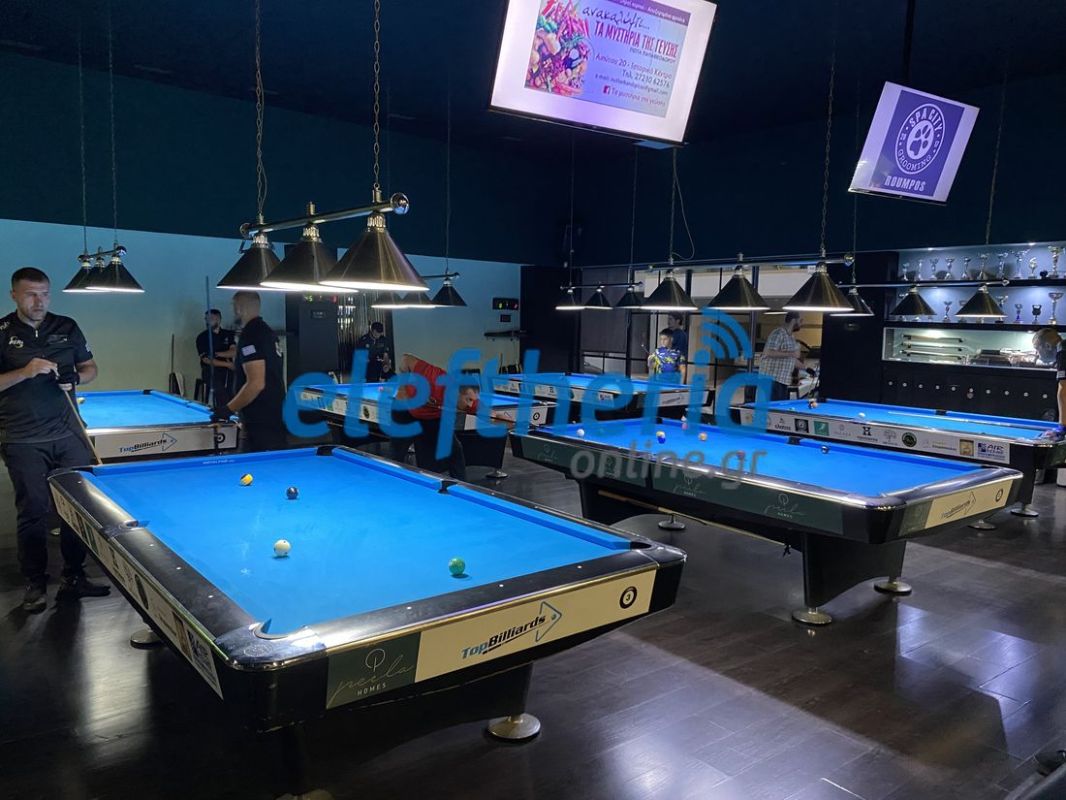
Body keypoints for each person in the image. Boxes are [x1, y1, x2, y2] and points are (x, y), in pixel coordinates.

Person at [0, 267, 110, 612]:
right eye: (31, 294)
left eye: (45, 294)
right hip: (22, 437)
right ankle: (35, 583)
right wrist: (25, 372)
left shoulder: (67, 326)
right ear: (14, 295)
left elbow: (91, 368)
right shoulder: (2, 332)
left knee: (76, 509)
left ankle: (74, 577)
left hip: (68, 433)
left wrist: (76, 377)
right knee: (33, 511)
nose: (39, 301)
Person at [211, 291, 286, 452]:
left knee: (255, 463)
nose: (233, 311)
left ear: (240, 308)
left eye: (233, 306)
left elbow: (256, 383)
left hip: (260, 419)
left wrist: (228, 409)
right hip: (274, 412)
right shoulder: (267, 332)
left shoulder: (250, 335)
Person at [387, 353, 480, 480]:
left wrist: (495, 416)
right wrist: (403, 389)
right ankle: (391, 481)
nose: (470, 404)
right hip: (404, 411)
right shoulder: (434, 377)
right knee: (397, 453)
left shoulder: (468, 401)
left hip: (430, 417)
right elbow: (405, 360)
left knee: (454, 451)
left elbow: (486, 411)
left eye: (472, 400)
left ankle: (461, 486)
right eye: (468, 400)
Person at [760, 311, 805, 401]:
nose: (802, 324)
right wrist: (792, 353)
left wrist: (806, 368)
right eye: (800, 321)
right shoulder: (778, 333)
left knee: (779, 407)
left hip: (783, 380)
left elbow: (791, 359)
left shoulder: (791, 337)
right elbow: (768, 352)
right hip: (772, 379)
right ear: (793, 320)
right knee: (772, 407)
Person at [195, 308, 236, 406]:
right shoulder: (202, 337)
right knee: (221, 394)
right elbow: (206, 359)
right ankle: (222, 412)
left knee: (234, 391)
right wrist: (227, 364)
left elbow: (234, 352)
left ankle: (233, 411)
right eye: (206, 319)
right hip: (211, 371)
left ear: (218, 319)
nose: (207, 322)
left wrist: (217, 354)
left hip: (228, 371)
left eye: (211, 319)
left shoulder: (228, 334)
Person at [1033, 328, 1066, 434]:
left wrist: (1062, 427)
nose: (1037, 354)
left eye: (1037, 349)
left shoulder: (1062, 351)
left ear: (1047, 346)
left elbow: (1064, 389)